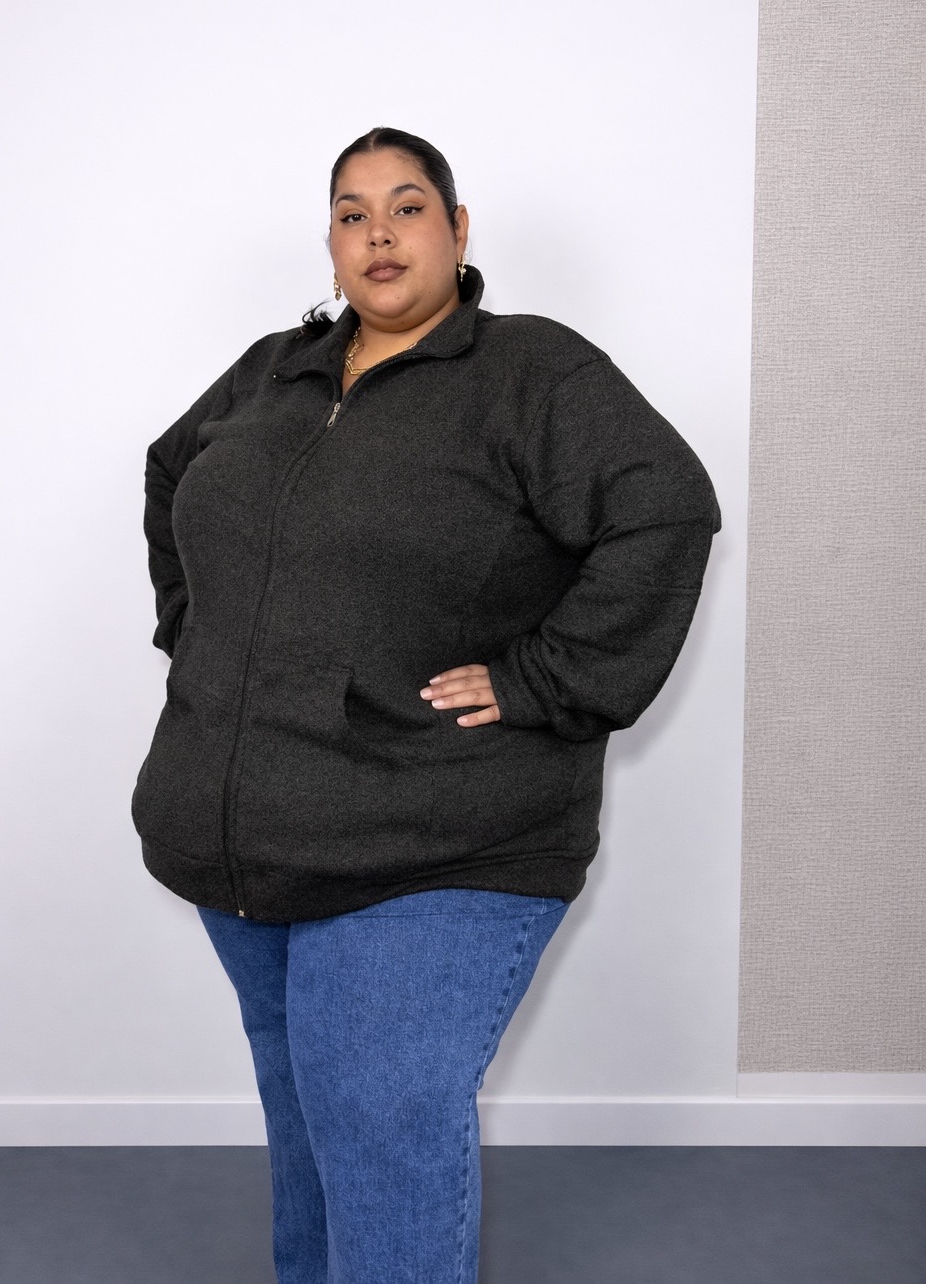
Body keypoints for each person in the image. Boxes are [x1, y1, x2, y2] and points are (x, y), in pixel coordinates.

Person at [132, 126, 720, 1283]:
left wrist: (542, 680)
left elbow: (665, 509)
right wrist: (199, 639)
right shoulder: (272, 371)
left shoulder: (530, 371)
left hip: (443, 831)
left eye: (407, 207)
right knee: (313, 1125)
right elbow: (171, 473)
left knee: (378, 1115)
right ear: (330, 243)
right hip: (247, 842)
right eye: (352, 214)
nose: (379, 234)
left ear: (456, 230)